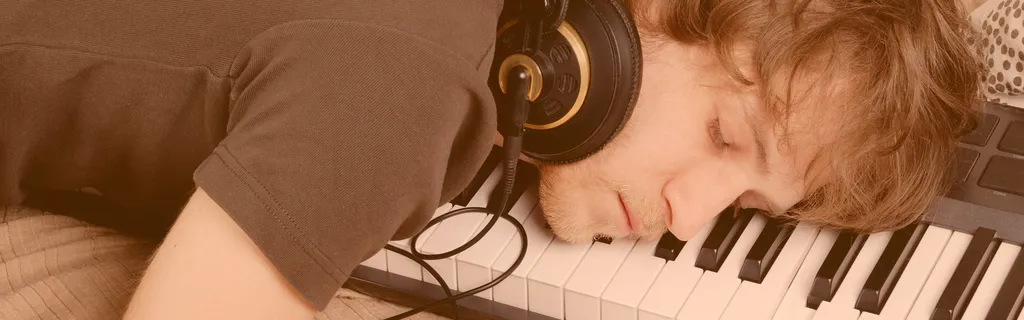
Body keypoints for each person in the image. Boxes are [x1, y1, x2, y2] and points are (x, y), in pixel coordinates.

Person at [0, 0, 989, 319]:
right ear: (630, 18)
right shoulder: (408, 86)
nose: (692, 216)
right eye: (726, 139)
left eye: (749, 207)